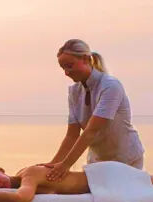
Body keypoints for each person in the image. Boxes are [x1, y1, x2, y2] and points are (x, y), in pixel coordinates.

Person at [42, 39, 144, 182]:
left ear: (85, 59)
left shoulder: (110, 86)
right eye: (63, 68)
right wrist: (52, 165)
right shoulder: (74, 92)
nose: (66, 72)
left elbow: (91, 130)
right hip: (97, 161)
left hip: (125, 159)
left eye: (69, 66)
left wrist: (66, 165)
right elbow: (72, 135)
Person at [0, 164, 153, 202]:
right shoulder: (23, 178)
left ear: (0, 169)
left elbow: (20, 200)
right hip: (103, 181)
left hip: (107, 177)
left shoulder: (29, 174)